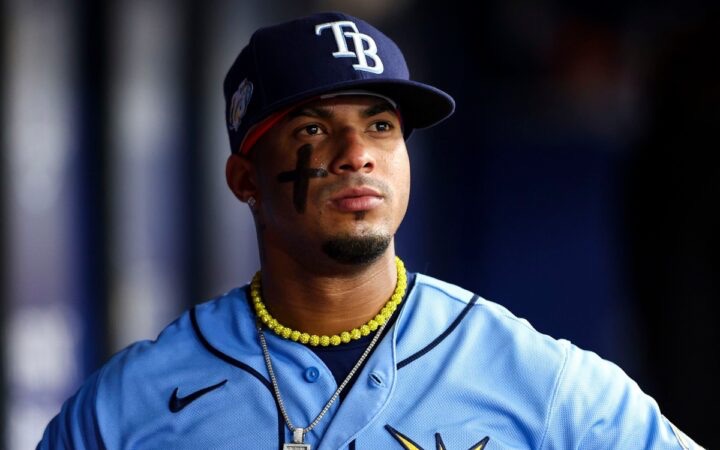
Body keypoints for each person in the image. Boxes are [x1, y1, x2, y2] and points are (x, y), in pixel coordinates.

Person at [39, 11, 702, 450]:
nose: (357, 153)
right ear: (244, 179)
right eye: (313, 128)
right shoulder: (128, 405)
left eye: (381, 126)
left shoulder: (538, 378)